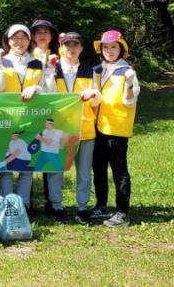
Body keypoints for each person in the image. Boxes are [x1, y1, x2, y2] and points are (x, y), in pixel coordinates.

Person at [89, 30, 140, 227]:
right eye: (106, 47)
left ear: (121, 49)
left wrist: (129, 84)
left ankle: (121, 212)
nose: (109, 51)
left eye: (113, 47)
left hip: (117, 129)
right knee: (99, 168)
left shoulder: (127, 71)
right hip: (97, 127)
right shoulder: (97, 69)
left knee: (119, 171)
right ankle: (101, 205)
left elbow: (129, 101)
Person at [45, 31, 97, 224]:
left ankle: (82, 207)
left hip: (85, 129)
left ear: (81, 48)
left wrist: (94, 95)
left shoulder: (90, 71)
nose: (71, 48)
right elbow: (47, 94)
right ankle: (57, 206)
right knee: (56, 169)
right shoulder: (53, 68)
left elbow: (97, 101)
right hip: (58, 128)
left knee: (84, 171)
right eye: (67, 44)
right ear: (61, 47)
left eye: (75, 44)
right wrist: (49, 73)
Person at [0, 24, 45, 210]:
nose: (19, 42)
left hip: (31, 119)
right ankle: (6, 204)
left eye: (23, 37)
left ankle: (24, 205)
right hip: (7, 119)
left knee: (26, 165)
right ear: (8, 41)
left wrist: (36, 88)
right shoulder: (2, 60)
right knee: (6, 166)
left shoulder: (37, 63)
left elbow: (46, 89)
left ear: (29, 40)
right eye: (15, 38)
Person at [30, 19, 61, 215]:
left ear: (52, 36)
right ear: (32, 36)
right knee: (29, 155)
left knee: (49, 155)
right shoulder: (26, 56)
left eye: (46, 32)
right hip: (29, 112)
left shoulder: (59, 57)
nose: (42, 35)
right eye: (38, 32)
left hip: (51, 113)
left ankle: (52, 202)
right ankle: (28, 201)